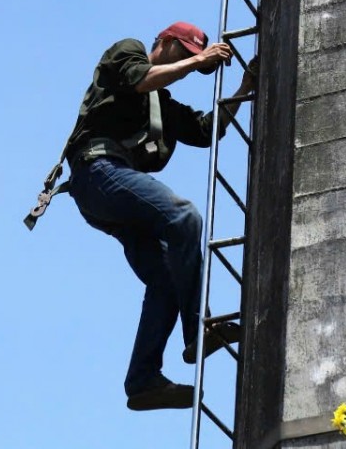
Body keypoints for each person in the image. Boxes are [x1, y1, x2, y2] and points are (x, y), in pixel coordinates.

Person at [63, 22, 254, 411]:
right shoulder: (127, 51)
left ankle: (143, 380)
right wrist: (200, 59)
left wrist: (244, 87)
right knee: (184, 217)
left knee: (166, 279)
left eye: (190, 57)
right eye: (182, 53)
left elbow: (205, 130)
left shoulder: (162, 105)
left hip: (118, 193)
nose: (186, 62)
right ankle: (199, 330)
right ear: (164, 42)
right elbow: (138, 79)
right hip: (97, 172)